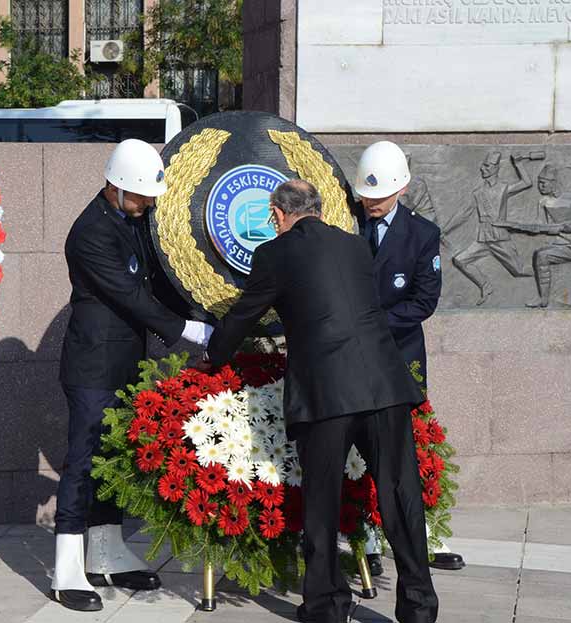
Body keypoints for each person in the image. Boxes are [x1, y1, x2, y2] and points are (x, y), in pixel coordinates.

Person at [205, 180, 438, 623]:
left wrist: (213, 357)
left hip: (329, 392)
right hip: (386, 386)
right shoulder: (355, 246)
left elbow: (243, 315)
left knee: (322, 501)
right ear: (318, 208)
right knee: (401, 495)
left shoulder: (274, 254)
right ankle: (420, 608)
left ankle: (326, 606)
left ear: (277, 214)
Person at [52, 138, 214, 612]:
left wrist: (200, 303)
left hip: (122, 363)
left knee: (113, 459)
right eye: (141, 196)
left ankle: (105, 551)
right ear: (115, 187)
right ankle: (67, 567)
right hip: (92, 367)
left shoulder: (130, 218)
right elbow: (129, 294)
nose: (147, 204)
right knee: (83, 462)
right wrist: (186, 329)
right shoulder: (89, 233)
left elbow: (155, 278)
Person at [354, 141, 465, 574]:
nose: (372, 203)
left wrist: (371, 322)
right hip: (352, 359)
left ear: (400, 190)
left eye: (380, 197)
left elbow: (423, 302)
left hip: (398, 357)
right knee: (357, 451)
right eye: (366, 195)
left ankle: (410, 538)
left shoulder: (423, 235)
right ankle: (365, 538)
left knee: (400, 458)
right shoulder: (348, 225)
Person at [446, 152, 534, 305]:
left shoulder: (503, 188)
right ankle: (486, 286)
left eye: (487, 166)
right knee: (460, 260)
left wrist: (519, 164)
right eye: (483, 165)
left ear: (496, 168)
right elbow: (464, 213)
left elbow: (527, 183)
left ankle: (544, 269)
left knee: (519, 271)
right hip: (483, 239)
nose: (482, 168)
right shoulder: (478, 193)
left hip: (500, 238)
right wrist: (445, 229)